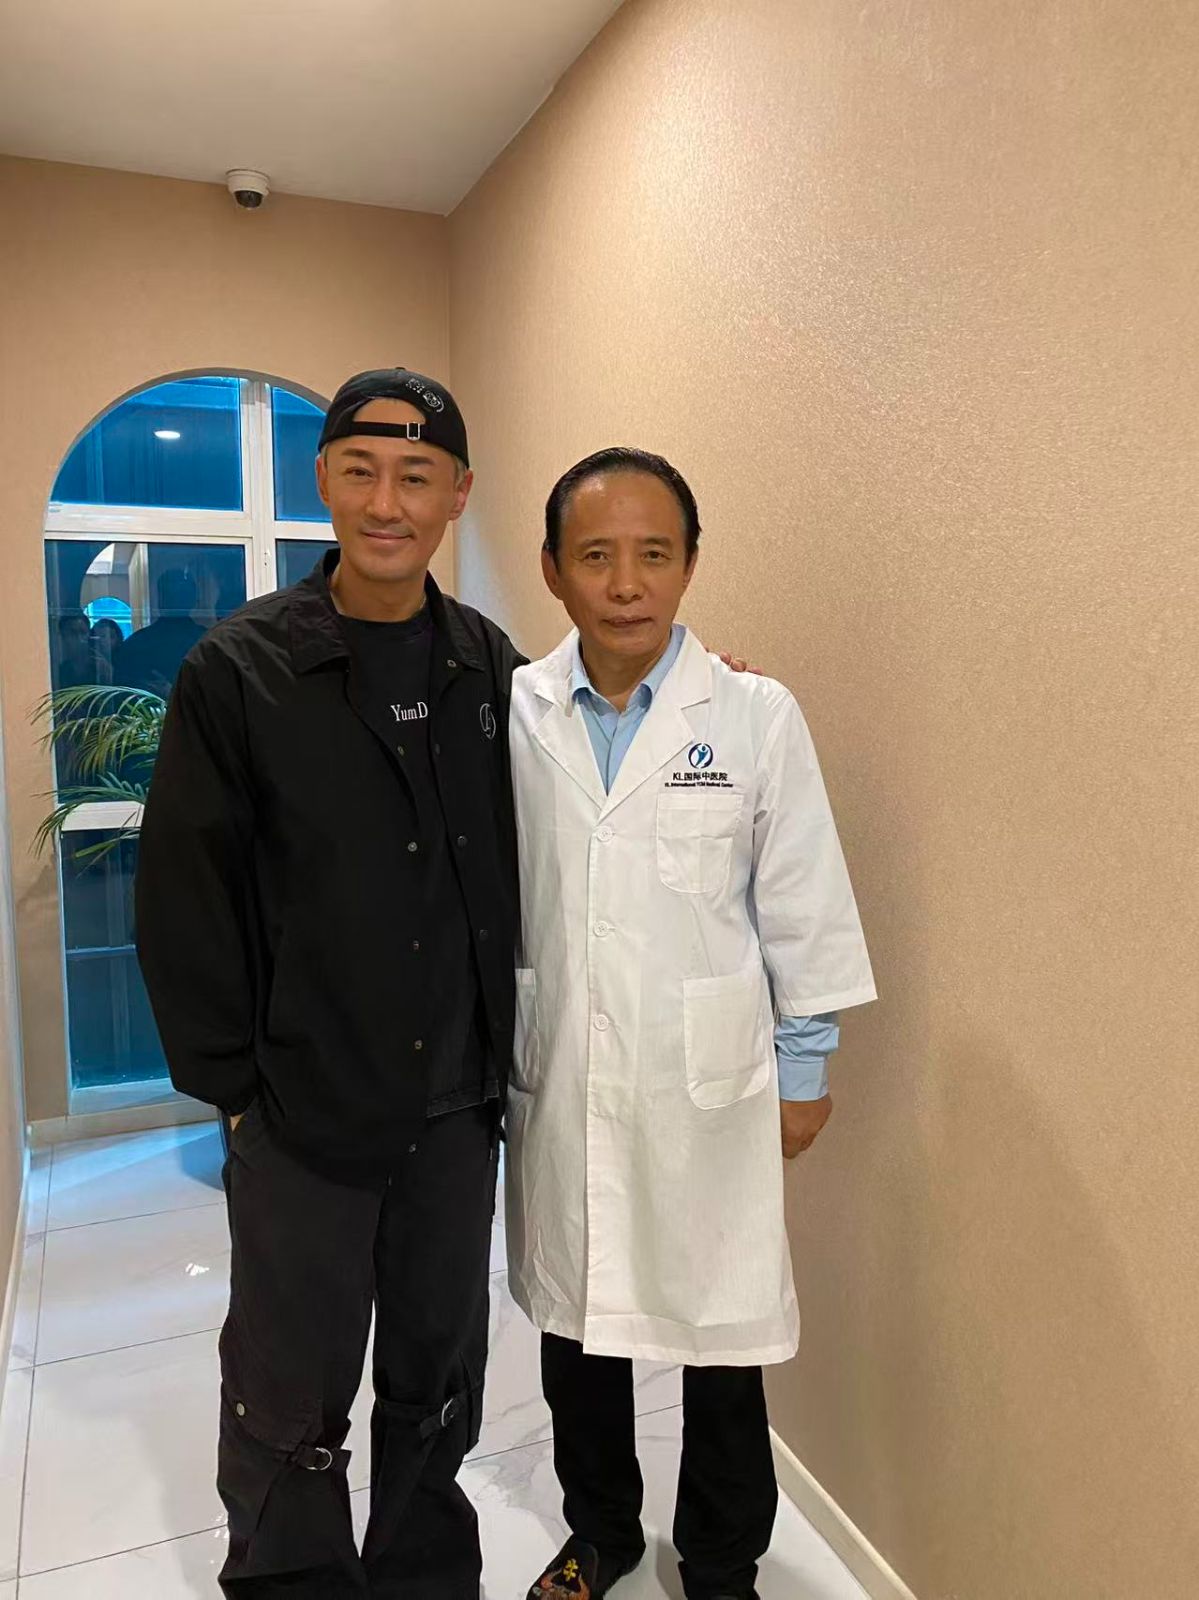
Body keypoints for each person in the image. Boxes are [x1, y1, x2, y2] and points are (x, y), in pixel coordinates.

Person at [135, 369, 522, 1598]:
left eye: (415, 476)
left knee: (437, 1375)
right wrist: (235, 1093)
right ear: (323, 481)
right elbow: (184, 896)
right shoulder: (239, 671)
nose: (385, 502)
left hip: (456, 1109)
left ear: (458, 493)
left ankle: (419, 1574)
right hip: (303, 1108)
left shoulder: (492, 672)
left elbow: (586, 793)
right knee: (289, 1390)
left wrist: (681, 694)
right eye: (360, 470)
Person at [506, 448, 877, 1600]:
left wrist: (805, 1068)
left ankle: (720, 1562)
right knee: (576, 1331)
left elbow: (801, 898)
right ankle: (601, 1533)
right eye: (596, 555)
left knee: (722, 1339)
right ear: (552, 570)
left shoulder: (753, 713)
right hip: (566, 1069)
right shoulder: (513, 711)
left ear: (689, 564)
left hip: (709, 1082)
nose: (626, 583)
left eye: (653, 554)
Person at [113, 568, 206, 696]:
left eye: (181, 594)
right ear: (194, 601)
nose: (176, 599)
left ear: (159, 601)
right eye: (172, 594)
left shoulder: (136, 643)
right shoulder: (206, 641)